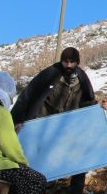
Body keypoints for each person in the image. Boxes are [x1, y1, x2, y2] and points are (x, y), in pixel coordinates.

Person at [11, 47, 96, 194]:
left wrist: (97, 107)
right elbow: (27, 95)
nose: (68, 65)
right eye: (65, 62)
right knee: (36, 164)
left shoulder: (82, 78)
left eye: (72, 62)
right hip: (42, 126)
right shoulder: (50, 74)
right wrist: (14, 120)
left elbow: (87, 101)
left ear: (77, 62)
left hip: (65, 128)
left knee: (80, 159)